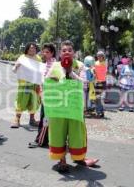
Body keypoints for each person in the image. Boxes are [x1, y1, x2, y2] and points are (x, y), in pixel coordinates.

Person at [46, 40, 98, 172]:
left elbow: (85, 83)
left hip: (74, 106)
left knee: (77, 133)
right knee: (58, 132)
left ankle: (79, 158)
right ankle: (62, 160)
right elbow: (46, 82)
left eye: (69, 50)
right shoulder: (55, 66)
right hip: (59, 107)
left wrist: (70, 73)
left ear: (73, 52)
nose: (67, 52)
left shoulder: (80, 65)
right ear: (60, 53)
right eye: (64, 50)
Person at [28, 43, 56, 148]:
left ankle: (40, 140)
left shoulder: (54, 64)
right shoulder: (46, 63)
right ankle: (46, 139)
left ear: (52, 53)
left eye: (47, 52)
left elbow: (57, 79)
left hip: (50, 95)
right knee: (45, 117)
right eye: (44, 51)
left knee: (45, 119)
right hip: (46, 94)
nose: (44, 53)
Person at [10, 42, 41, 128]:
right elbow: (14, 70)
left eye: (34, 48)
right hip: (24, 84)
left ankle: (32, 119)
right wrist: (16, 66)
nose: (32, 49)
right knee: (21, 101)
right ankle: (17, 119)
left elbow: (40, 71)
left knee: (34, 101)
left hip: (34, 84)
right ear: (27, 49)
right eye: (31, 48)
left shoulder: (38, 58)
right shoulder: (22, 58)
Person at [94, 51, 107, 118]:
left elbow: (103, 72)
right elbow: (94, 72)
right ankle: (98, 111)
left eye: (100, 56)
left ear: (103, 56)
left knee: (100, 98)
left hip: (102, 82)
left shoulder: (104, 63)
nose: (99, 57)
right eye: (98, 56)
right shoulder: (95, 63)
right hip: (97, 82)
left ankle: (101, 111)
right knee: (96, 98)